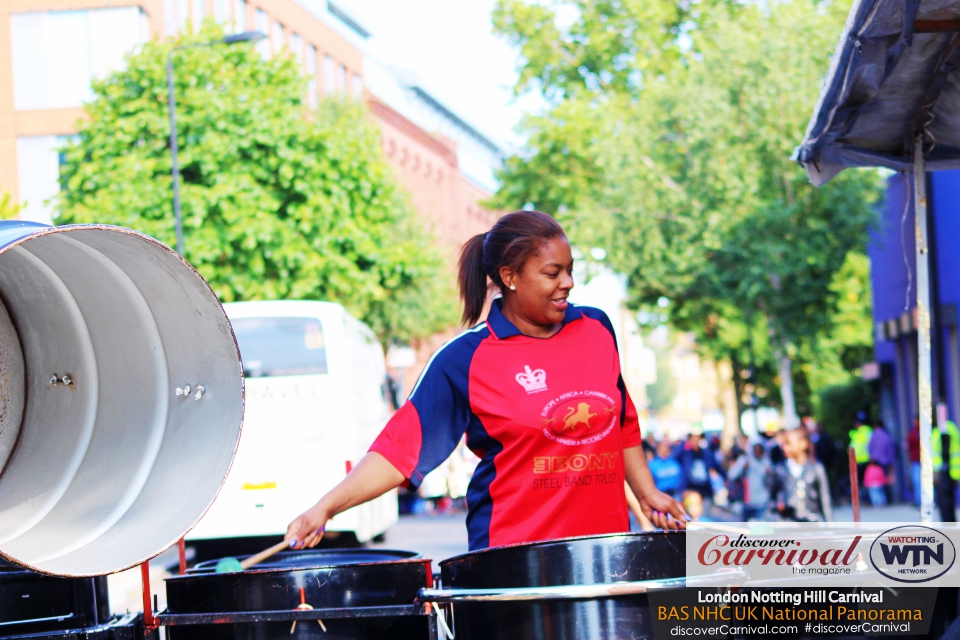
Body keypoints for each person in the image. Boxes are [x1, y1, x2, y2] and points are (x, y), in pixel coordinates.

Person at [284, 211, 687, 551]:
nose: (568, 283)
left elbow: (622, 422)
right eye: (552, 273)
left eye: (570, 270)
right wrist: (326, 507)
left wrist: (647, 492)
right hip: (511, 559)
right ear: (510, 277)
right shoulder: (464, 359)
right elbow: (398, 452)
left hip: (608, 548)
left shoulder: (597, 328)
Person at [772, 426, 832, 522]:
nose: (785, 448)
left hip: (811, 523)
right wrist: (778, 506)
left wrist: (830, 527)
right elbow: (771, 499)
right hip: (788, 523)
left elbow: (825, 502)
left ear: (803, 443)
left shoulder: (816, 468)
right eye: (783, 444)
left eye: (789, 444)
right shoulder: (780, 469)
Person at [678, 430, 725, 512]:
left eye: (697, 440)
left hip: (705, 489)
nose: (695, 442)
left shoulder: (707, 453)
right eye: (693, 440)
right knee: (693, 513)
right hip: (690, 489)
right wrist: (683, 441)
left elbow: (717, 467)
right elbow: (674, 456)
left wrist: (726, 479)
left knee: (705, 515)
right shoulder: (685, 454)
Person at [728, 438, 772, 520]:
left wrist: (770, 474)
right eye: (756, 448)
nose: (758, 451)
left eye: (760, 448)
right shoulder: (744, 460)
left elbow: (771, 482)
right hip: (747, 502)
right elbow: (731, 475)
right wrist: (742, 467)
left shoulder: (766, 462)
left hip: (762, 502)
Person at [848, 412, 873, 491]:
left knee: (863, 481)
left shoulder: (858, 433)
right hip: (866, 460)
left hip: (861, 461)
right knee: (867, 480)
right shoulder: (868, 431)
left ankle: (865, 498)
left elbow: (853, 446)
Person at [908, 418, 921, 505]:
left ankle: (922, 502)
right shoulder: (913, 433)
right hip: (916, 461)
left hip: (921, 462)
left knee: (920, 483)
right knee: (917, 483)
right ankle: (919, 502)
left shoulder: (927, 431)